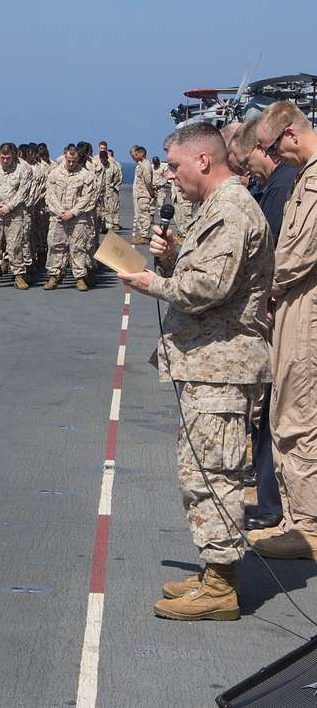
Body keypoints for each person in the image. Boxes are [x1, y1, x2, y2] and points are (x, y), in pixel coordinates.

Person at [119, 122, 273, 621]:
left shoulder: (230, 210)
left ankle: (222, 586)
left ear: (203, 160)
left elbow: (209, 287)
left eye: (175, 165)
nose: (170, 175)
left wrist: (150, 282)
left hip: (222, 364)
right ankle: (214, 571)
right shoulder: (219, 208)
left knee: (215, 473)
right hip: (209, 362)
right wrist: (177, 249)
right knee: (202, 469)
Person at [248, 102, 317, 560]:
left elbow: (297, 254)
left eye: (274, 148)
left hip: (305, 317)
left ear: (290, 135)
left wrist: (250, 285)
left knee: (297, 420)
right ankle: (297, 518)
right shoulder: (304, 177)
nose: (275, 158)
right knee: (288, 415)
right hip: (293, 309)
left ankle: (306, 527)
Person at [226, 118, 291, 533]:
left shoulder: (283, 188)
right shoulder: (274, 187)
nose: (243, 171)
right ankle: (268, 492)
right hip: (272, 312)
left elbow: (278, 256)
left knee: (275, 411)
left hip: (278, 316)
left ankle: (273, 503)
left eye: (243, 160)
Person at [0, 141, 32, 289]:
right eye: (2, 157)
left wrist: (10, 206)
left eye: (8, 158)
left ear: (14, 155)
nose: (5, 161)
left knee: (15, 245)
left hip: (14, 214)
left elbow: (24, 191)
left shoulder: (24, 168)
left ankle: (19, 275)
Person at [43, 147, 96, 291]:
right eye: (68, 161)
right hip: (58, 217)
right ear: (65, 158)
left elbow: (87, 197)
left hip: (77, 218)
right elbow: (50, 195)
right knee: (56, 246)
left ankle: (79, 278)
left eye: (74, 161)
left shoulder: (86, 175)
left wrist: (73, 212)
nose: (71, 164)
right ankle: (54, 276)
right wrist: (60, 211)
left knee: (78, 247)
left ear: (78, 160)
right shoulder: (54, 174)